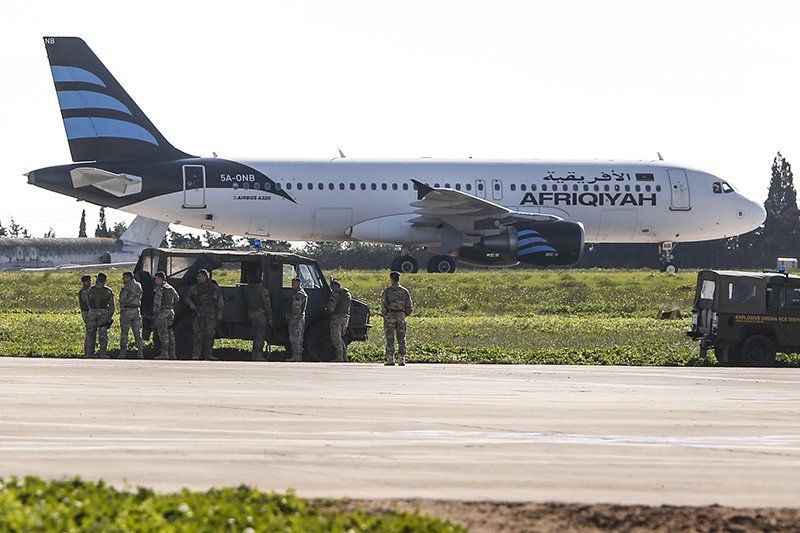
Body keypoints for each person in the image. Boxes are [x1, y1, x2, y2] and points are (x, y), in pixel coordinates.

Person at [185, 269, 223, 360]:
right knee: (197, 335)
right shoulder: (195, 287)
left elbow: (219, 301)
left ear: (206, 277)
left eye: (200, 276)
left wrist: (219, 312)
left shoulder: (214, 288)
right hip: (198, 315)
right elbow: (187, 297)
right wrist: (191, 304)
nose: (198, 278)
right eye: (197, 276)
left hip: (210, 315)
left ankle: (209, 354)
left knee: (209, 335)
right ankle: (196, 355)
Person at [381, 270, 413, 366]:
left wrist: (385, 314)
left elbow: (383, 305)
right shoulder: (404, 291)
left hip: (390, 315)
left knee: (390, 337)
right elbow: (409, 306)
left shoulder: (388, 291)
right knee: (401, 338)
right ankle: (402, 359)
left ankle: (390, 358)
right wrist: (404, 314)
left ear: (391, 279)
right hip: (401, 315)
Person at [85, 272, 115, 358]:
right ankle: (102, 353)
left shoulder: (90, 290)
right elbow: (112, 306)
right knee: (103, 335)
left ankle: (89, 353)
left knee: (90, 334)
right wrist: (109, 317)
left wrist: (90, 311)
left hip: (92, 312)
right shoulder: (108, 291)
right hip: (103, 313)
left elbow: (87, 302)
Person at [244, 275, 272, 361]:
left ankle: (254, 355)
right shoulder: (263, 290)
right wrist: (270, 317)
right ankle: (258, 355)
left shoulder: (248, 289)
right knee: (260, 335)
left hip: (252, 314)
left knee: (255, 335)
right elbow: (267, 305)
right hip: (261, 315)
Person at [152, 271, 180, 360]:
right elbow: (177, 298)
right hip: (170, 312)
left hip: (162, 313)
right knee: (170, 333)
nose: (155, 280)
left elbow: (157, 302)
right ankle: (172, 354)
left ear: (160, 279)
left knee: (163, 333)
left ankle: (164, 353)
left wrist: (156, 312)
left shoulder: (160, 289)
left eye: (156, 278)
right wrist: (170, 306)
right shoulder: (170, 287)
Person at [118, 271, 144, 359]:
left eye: (124, 278)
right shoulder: (139, 285)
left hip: (127, 310)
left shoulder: (128, 287)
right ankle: (140, 353)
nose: (123, 280)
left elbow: (124, 299)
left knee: (125, 332)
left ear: (129, 277)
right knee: (137, 332)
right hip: (136, 310)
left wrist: (122, 305)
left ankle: (123, 353)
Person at [327, 279, 352, 362]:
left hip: (337, 317)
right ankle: (345, 357)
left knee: (336, 338)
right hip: (345, 317)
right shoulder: (347, 293)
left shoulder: (336, 294)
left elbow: (331, 307)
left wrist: (327, 311)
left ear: (335, 286)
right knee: (340, 338)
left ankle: (339, 357)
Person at [286, 277, 307, 362]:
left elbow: (296, 309)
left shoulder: (299, 295)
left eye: (293, 283)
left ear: (298, 284)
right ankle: (297, 355)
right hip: (299, 318)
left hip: (297, 319)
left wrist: (292, 320)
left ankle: (296, 355)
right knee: (298, 337)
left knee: (295, 337)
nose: (292, 285)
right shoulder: (301, 293)